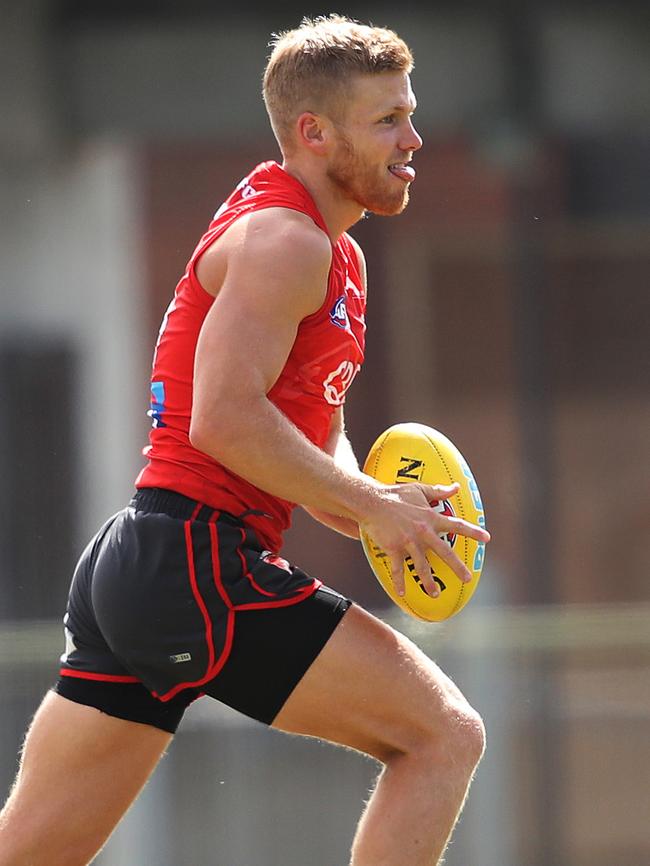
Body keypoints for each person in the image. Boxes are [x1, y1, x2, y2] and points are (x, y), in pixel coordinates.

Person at [0, 14, 490, 866]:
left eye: (410, 114)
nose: (413, 139)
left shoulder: (337, 256)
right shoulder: (283, 242)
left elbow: (308, 441)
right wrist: (370, 505)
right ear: (314, 132)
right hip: (197, 559)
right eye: (387, 121)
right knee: (443, 737)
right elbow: (222, 422)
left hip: (151, 562)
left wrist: (380, 511)